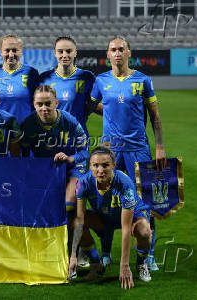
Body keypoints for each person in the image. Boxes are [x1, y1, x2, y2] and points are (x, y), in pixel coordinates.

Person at [91, 36, 166, 270]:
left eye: (121, 49)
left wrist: (160, 147)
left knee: (145, 202)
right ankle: (105, 252)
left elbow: (154, 115)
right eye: (113, 49)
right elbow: (92, 105)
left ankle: (149, 253)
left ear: (129, 52)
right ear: (107, 54)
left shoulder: (143, 81)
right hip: (110, 153)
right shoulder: (101, 81)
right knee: (107, 201)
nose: (117, 53)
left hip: (139, 150)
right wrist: (112, 113)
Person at [69, 144, 153, 289]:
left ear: (114, 165)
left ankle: (141, 262)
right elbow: (80, 219)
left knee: (144, 231)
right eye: (95, 165)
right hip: (105, 216)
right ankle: (96, 264)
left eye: (105, 165)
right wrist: (73, 255)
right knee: (75, 223)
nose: (100, 170)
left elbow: (126, 228)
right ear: (90, 166)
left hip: (132, 217)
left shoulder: (124, 184)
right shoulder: (82, 183)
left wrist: (124, 265)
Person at [21, 85, 89, 247]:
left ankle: (80, 250)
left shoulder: (70, 121)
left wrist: (70, 158)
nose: (44, 108)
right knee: (43, 209)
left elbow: (85, 152)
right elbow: (23, 155)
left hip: (72, 167)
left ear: (56, 103)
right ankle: (52, 247)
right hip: (46, 169)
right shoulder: (28, 123)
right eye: (39, 104)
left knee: (68, 207)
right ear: (34, 104)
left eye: (48, 103)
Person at [38, 36, 95, 136]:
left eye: (68, 51)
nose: (64, 55)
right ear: (55, 53)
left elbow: (93, 104)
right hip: (51, 137)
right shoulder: (44, 78)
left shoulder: (87, 77)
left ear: (75, 52)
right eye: (60, 51)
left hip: (78, 136)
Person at [0, 34, 39, 123]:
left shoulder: (31, 73)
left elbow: (37, 103)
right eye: (7, 50)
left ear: (21, 51)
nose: (11, 55)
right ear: (1, 52)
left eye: (14, 50)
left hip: (24, 130)